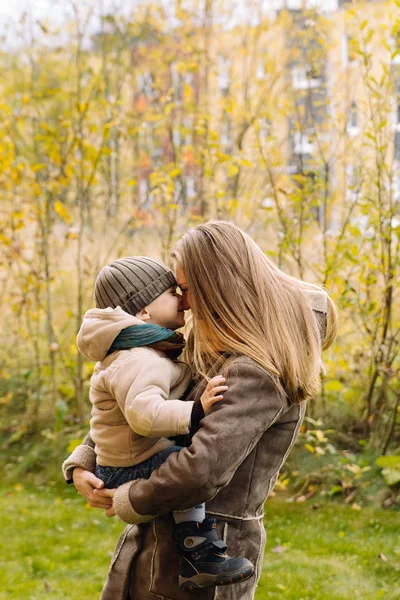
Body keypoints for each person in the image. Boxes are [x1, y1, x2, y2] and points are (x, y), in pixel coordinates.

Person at [63, 221, 338, 600]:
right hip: (159, 544)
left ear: (219, 286)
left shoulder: (257, 367)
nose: (185, 302)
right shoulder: (212, 343)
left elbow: (200, 469)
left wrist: (128, 498)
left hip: (205, 561)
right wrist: (86, 458)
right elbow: (137, 400)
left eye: (188, 290)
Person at [65, 255, 254, 591]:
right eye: (171, 291)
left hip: (126, 455)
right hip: (132, 462)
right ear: (143, 313)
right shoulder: (139, 358)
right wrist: (195, 410)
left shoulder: (139, 350)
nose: (182, 298)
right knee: (177, 464)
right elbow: (142, 415)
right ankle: (198, 552)